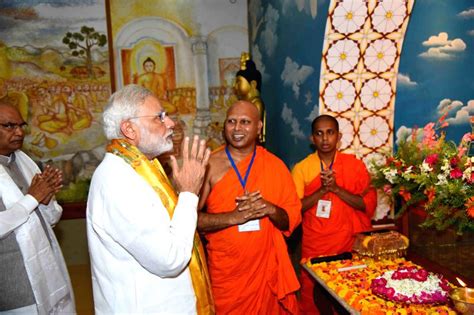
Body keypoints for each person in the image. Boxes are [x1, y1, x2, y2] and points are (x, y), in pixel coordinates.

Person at [86, 84, 214, 314]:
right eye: (159, 117)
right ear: (129, 129)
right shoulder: (117, 181)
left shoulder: (142, 169)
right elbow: (169, 259)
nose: (171, 123)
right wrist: (187, 193)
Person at [198, 100, 301, 314]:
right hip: (226, 275)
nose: (237, 128)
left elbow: (290, 220)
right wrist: (232, 218)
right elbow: (189, 219)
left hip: (266, 274)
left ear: (258, 127)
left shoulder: (275, 166)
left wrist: (270, 209)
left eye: (245, 122)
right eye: (231, 122)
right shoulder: (209, 165)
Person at [291, 115, 377, 314]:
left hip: (347, 242)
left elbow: (366, 204)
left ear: (339, 136)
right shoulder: (302, 168)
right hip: (316, 243)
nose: (325, 139)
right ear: (312, 138)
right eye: (319, 134)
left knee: (350, 292)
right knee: (313, 295)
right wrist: (321, 191)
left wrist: (336, 189)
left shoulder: (354, 165)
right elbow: (296, 207)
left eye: (330, 133)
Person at [0, 103, 76, 314]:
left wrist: (46, 200)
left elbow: (49, 220)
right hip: (13, 285)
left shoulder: (23, 160)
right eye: (9, 126)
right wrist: (33, 198)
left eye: (21, 125)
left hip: (47, 272)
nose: (19, 132)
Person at [234, 53, 266, 144]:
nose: (235, 86)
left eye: (238, 82)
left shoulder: (256, 103)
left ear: (253, 84)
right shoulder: (243, 103)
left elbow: (255, 129)